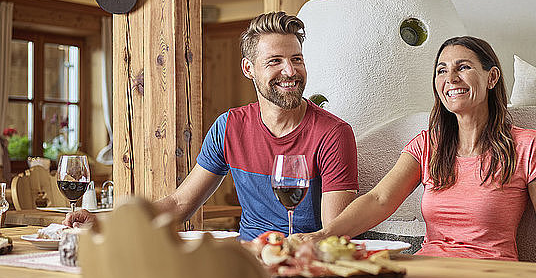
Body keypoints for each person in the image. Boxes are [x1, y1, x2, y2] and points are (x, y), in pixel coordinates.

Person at [65, 12, 358, 240]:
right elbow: (180, 204)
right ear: (248, 69)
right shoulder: (228, 127)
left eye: (297, 59)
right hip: (246, 265)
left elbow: (335, 233)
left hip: (305, 265)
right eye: (275, 61)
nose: (290, 71)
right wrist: (104, 222)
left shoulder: (333, 134)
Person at [300, 36, 536, 264]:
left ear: (491, 78)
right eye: (441, 70)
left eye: (462, 67)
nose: (450, 78)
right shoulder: (426, 145)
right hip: (427, 274)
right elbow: (379, 200)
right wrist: (323, 235)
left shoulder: (528, 146)